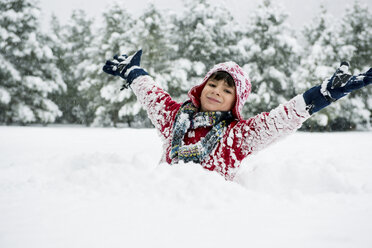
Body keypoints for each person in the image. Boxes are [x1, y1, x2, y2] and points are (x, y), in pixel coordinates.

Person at [103, 50, 372, 181]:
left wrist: (324, 94)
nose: (217, 91)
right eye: (213, 84)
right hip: (162, 212)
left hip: (213, 221)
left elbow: (283, 118)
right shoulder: (176, 119)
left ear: (235, 101)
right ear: (202, 87)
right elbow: (152, 95)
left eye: (227, 89)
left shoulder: (239, 135)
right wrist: (132, 72)